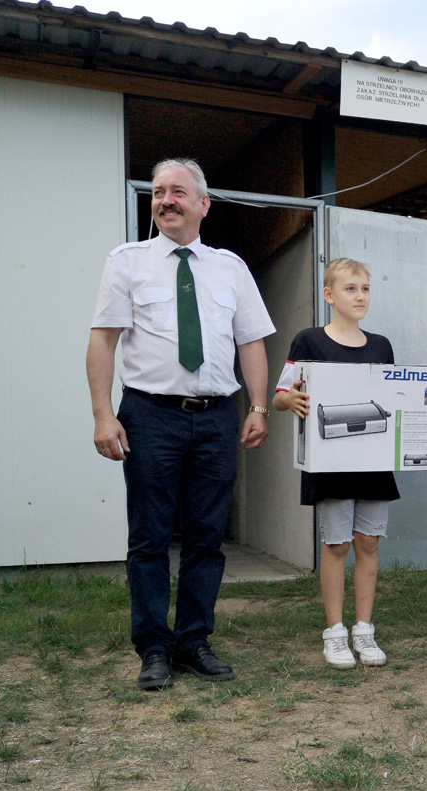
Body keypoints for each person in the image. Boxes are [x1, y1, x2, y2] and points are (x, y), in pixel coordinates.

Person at [86, 158, 274, 689]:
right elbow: (103, 340)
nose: (165, 200)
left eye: (178, 192)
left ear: (203, 204)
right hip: (150, 417)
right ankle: (153, 647)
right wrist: (104, 414)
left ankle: (193, 640)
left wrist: (258, 406)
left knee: (207, 537)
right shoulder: (126, 262)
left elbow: (251, 341)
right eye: (158, 192)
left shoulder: (230, 268)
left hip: (217, 418)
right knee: (149, 537)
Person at [273, 258, 396, 668]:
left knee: (368, 542)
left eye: (365, 288)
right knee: (338, 543)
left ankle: (364, 630)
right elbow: (279, 395)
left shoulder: (381, 345)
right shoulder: (307, 341)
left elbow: (393, 399)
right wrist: (288, 399)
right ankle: (335, 633)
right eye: (350, 289)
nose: (359, 296)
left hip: (374, 459)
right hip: (331, 461)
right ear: (328, 295)